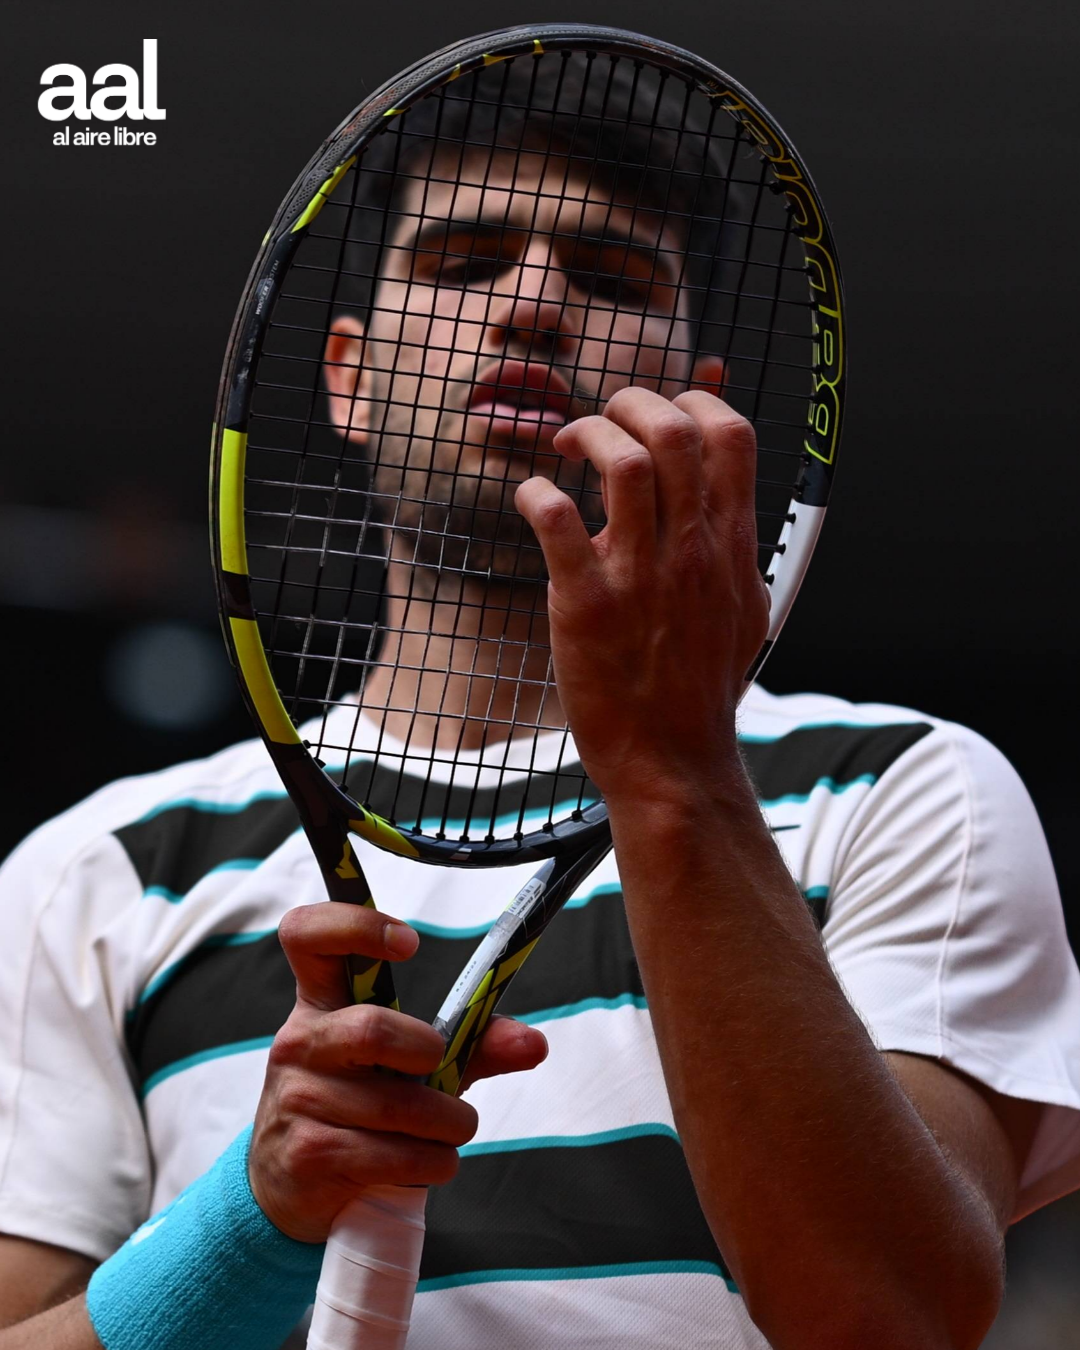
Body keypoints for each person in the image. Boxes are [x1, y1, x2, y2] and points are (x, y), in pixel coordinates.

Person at [2, 56, 1079, 1350]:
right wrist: (251, 1216)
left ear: (704, 407)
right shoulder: (104, 869)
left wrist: (677, 769)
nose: (529, 306)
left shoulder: (903, 791)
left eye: (611, 278)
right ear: (347, 377)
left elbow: (893, 1317)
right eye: (463, 262)